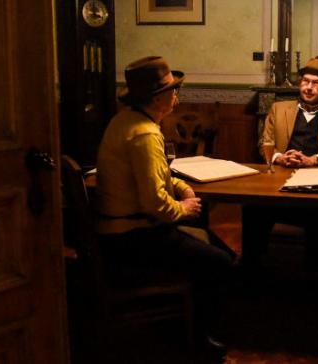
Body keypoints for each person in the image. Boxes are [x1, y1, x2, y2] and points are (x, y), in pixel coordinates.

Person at [95, 56, 232, 358]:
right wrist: (184, 208)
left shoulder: (126, 120)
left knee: (211, 244)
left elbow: (157, 176)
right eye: (173, 90)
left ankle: (191, 320)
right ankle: (200, 339)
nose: (177, 96)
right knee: (220, 261)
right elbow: (155, 203)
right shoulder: (144, 133)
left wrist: (181, 188)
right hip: (131, 237)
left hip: (118, 231)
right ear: (157, 98)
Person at [242, 56, 318, 269]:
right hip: (278, 182)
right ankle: (251, 267)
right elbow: (264, 142)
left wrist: (314, 160)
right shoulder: (278, 108)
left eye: (316, 83)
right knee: (253, 207)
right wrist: (279, 157)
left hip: (315, 185)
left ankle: (313, 270)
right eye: (305, 81)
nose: (308, 87)